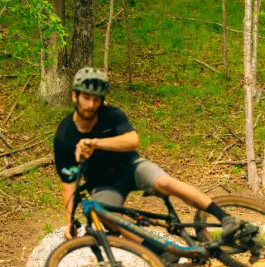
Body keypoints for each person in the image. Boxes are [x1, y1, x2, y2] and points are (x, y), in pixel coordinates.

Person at [52, 67, 246, 253]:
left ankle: (227, 219)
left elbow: (132, 140)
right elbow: (68, 183)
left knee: (165, 182)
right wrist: (69, 221)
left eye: (96, 99)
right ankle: (160, 252)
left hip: (130, 167)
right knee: (106, 216)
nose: (91, 105)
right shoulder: (65, 135)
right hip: (102, 184)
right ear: (74, 96)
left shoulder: (112, 115)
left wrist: (95, 143)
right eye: (86, 98)